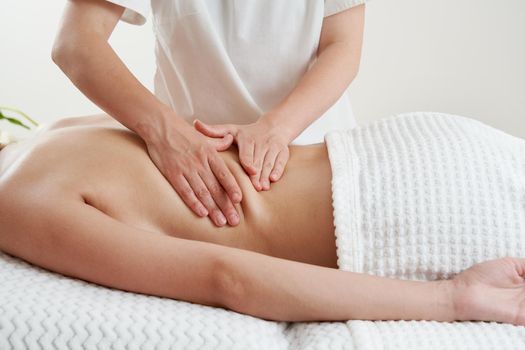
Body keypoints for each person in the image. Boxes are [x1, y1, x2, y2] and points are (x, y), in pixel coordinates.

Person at [0, 111, 524, 325]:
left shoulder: (16, 202)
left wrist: (452, 300)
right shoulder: (54, 130)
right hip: (425, 144)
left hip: (404, 209)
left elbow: (227, 278)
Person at [51, 0, 367, 228]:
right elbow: (76, 43)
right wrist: (166, 133)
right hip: (194, 168)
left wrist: (277, 128)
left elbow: (343, 45)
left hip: (318, 159)